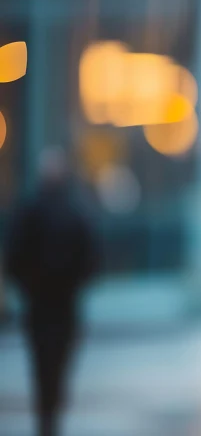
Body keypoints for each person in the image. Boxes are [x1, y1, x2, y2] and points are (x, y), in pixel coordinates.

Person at [3, 147, 97, 436]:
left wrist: (30, 286)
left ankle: (48, 417)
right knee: (53, 364)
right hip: (54, 305)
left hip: (46, 305)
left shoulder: (41, 209)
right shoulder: (66, 210)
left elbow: (14, 258)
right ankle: (49, 416)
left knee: (46, 364)